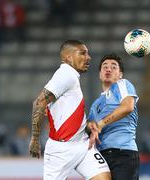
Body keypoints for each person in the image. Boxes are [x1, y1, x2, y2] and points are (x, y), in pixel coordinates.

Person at [29, 40, 111, 180]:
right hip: (60, 151)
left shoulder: (71, 76)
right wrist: (35, 139)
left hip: (84, 146)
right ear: (68, 57)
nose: (88, 57)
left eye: (88, 53)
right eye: (83, 53)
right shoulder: (65, 74)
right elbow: (38, 103)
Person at [87, 53, 140, 180]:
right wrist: (90, 125)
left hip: (123, 153)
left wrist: (99, 124)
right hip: (101, 157)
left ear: (120, 74)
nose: (108, 69)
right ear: (100, 74)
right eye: (105, 66)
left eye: (114, 66)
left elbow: (128, 106)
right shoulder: (95, 104)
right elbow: (89, 128)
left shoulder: (122, 85)